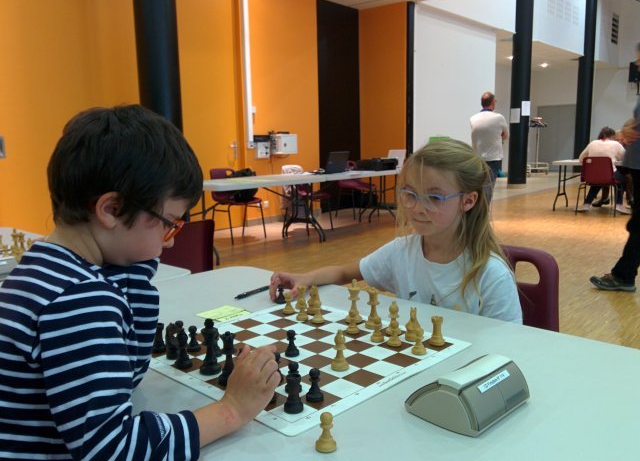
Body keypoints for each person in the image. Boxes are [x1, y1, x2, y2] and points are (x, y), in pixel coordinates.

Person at [0, 105, 280, 459]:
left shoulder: (47, 270)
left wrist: (139, 259)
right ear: (111, 210)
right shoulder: (80, 300)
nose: (170, 242)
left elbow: (128, 369)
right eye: (169, 223)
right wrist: (233, 410)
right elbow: (113, 450)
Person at [270, 138, 522, 323]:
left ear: (468, 201)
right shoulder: (402, 251)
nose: (418, 208)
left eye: (434, 197)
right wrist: (304, 278)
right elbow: (343, 272)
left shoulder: (491, 276)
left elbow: (510, 348)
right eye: (410, 194)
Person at [591, 111, 640, 292]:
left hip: (633, 167)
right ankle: (623, 275)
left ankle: (623, 276)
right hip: (633, 167)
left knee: (638, 227)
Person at [576, 126, 629, 215]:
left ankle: (586, 204)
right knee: (621, 179)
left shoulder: (592, 143)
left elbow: (581, 158)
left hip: (592, 176)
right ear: (612, 136)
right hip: (609, 175)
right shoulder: (616, 144)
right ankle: (619, 204)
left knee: (598, 181)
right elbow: (625, 158)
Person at [470, 92, 509, 201]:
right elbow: (506, 135)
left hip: (478, 157)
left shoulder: (473, 118)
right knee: (488, 187)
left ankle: (479, 207)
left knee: (479, 185)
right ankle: (484, 209)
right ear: (492, 103)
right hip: (494, 158)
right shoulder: (499, 118)